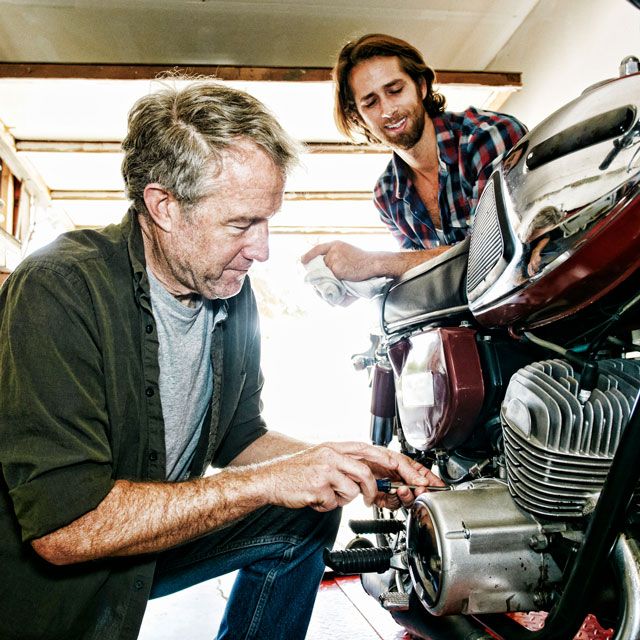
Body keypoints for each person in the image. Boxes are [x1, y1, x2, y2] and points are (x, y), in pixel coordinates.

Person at [0, 79, 442, 640]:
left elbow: (238, 437)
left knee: (304, 513)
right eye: (242, 224)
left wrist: (346, 459)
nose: (262, 249)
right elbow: (66, 528)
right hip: (53, 581)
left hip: (146, 542)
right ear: (164, 206)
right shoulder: (60, 290)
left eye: (267, 221)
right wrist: (268, 481)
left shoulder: (229, 291)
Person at [301, 33, 528, 281]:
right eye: (371, 102)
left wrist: (375, 262)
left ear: (421, 86)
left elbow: (496, 253)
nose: (388, 110)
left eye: (395, 90)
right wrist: (358, 284)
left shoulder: (487, 138)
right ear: (358, 117)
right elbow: (424, 279)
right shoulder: (386, 195)